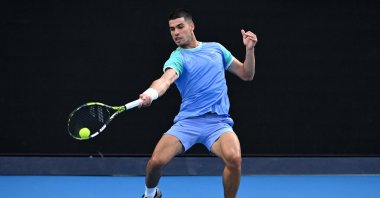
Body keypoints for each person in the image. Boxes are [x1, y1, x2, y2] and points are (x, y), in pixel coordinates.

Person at [139, 8, 257, 198]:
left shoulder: (216, 49)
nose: (176, 33)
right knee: (156, 163)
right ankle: (150, 193)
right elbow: (166, 79)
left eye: (180, 27)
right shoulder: (177, 57)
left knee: (234, 158)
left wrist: (249, 50)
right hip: (188, 123)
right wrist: (151, 93)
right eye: (172, 29)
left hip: (218, 123)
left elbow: (246, 74)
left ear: (192, 26)